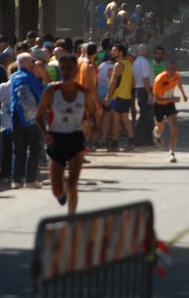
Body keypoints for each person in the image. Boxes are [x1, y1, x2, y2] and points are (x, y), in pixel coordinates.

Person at [36, 54, 94, 214]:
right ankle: (62, 194)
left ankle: (71, 218)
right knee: (56, 191)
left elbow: (93, 114)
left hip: (75, 138)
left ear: (76, 70)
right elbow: (38, 116)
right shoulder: (51, 91)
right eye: (63, 69)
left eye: (70, 69)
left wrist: (90, 129)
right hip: (56, 139)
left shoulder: (84, 93)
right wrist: (45, 134)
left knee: (72, 185)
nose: (66, 72)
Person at [10, 53, 44, 188]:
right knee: (34, 149)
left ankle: (16, 180)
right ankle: (31, 179)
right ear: (29, 64)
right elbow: (40, 94)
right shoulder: (31, 78)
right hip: (31, 118)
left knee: (18, 150)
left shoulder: (13, 77)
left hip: (16, 117)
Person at [152, 60, 188, 163]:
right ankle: (157, 134)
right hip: (159, 105)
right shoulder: (159, 79)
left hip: (169, 105)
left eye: (174, 69)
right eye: (170, 69)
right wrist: (172, 99)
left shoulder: (176, 75)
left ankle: (171, 152)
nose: (172, 71)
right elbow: (156, 99)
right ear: (166, 70)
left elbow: (178, 83)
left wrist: (184, 94)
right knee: (160, 128)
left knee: (174, 126)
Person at [103, 43, 134, 152]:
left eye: (114, 50)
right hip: (127, 96)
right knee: (125, 120)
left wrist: (108, 95)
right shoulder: (128, 64)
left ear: (120, 52)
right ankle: (131, 142)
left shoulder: (118, 65)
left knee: (115, 121)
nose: (112, 52)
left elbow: (114, 81)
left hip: (118, 96)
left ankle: (114, 144)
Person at [132, 43, 155, 146]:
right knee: (145, 115)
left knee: (148, 115)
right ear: (145, 51)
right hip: (145, 90)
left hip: (140, 89)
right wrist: (150, 93)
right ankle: (139, 137)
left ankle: (147, 137)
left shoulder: (136, 62)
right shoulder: (144, 62)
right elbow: (145, 79)